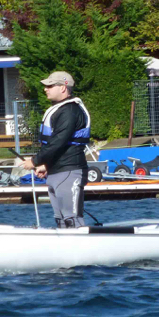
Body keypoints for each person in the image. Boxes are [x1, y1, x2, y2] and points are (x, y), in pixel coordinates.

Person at [21, 71, 91, 228]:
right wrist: (45, 165)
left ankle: (80, 243)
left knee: (71, 219)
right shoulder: (60, 110)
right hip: (56, 171)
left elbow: (58, 141)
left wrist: (35, 161)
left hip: (70, 171)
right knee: (61, 221)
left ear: (63, 88)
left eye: (50, 86)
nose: (45, 89)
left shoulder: (70, 111)